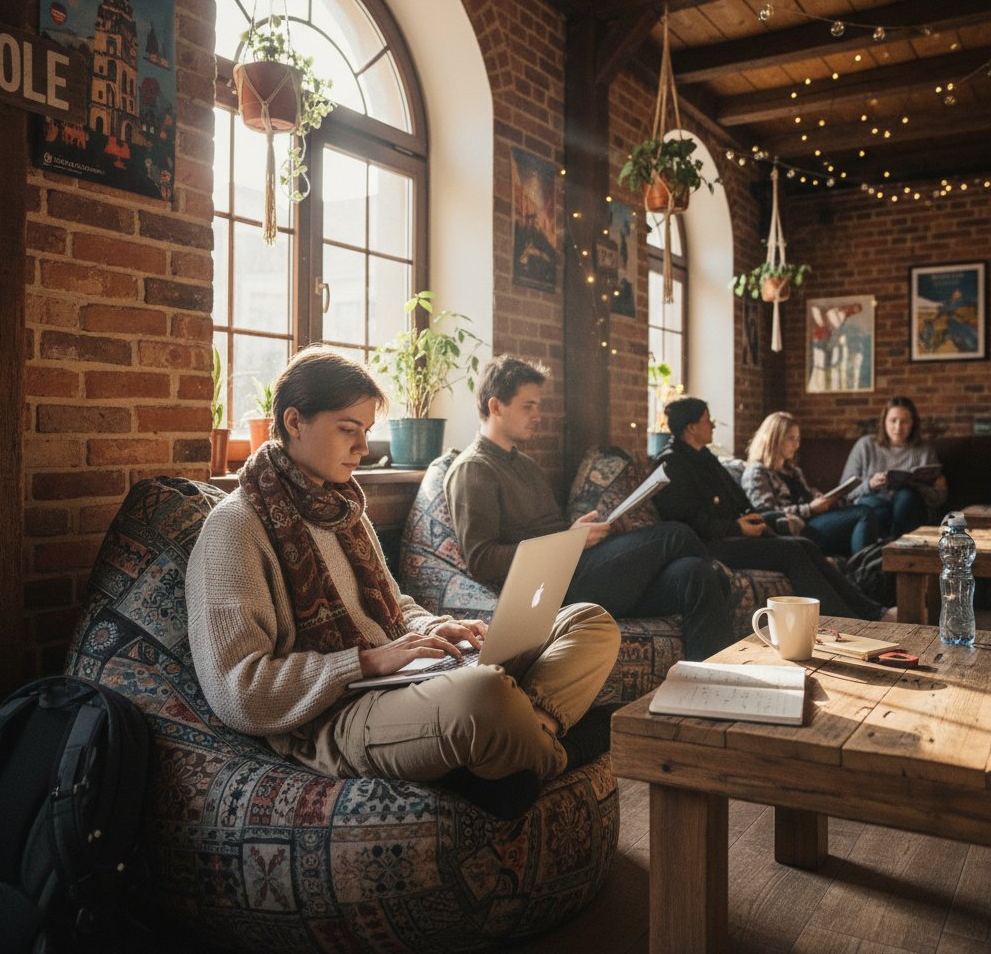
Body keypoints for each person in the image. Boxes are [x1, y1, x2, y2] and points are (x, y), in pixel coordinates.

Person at [187, 347, 620, 821]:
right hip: (336, 715)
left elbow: (396, 604)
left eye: (366, 431)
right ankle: (557, 752)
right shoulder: (235, 528)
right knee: (485, 694)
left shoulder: (344, 509)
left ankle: (529, 732)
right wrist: (363, 662)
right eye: (348, 430)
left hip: (401, 680)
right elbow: (238, 690)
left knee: (590, 622)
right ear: (294, 421)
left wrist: (435, 628)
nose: (363, 448)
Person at [443, 355, 735, 661]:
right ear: (495, 406)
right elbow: (482, 560)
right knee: (675, 534)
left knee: (697, 575)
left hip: (574, 570)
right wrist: (569, 540)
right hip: (548, 590)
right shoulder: (473, 469)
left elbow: (552, 534)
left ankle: (712, 684)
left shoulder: (525, 464)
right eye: (528, 406)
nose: (538, 415)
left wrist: (579, 533)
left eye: (537, 406)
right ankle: (726, 574)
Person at [653, 396, 888, 621]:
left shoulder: (704, 456)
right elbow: (691, 521)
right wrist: (737, 528)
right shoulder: (672, 463)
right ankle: (846, 622)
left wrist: (754, 518)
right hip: (710, 544)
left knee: (804, 544)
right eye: (707, 420)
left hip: (731, 532)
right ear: (692, 428)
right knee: (791, 551)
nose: (713, 425)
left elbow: (737, 500)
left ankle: (872, 613)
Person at [742, 411, 878, 557]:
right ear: (774, 439)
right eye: (791, 438)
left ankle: (871, 564)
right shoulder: (757, 472)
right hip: (797, 528)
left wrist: (822, 499)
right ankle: (865, 567)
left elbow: (806, 496)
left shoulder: (793, 470)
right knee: (863, 513)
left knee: (867, 509)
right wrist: (810, 508)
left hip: (812, 520)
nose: (796, 445)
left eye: (798, 439)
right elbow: (768, 513)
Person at [841, 396, 947, 538]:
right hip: (873, 504)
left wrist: (937, 489)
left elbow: (937, 500)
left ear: (913, 424)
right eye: (893, 420)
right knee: (874, 508)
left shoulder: (924, 451)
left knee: (906, 496)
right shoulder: (865, 445)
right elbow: (844, 493)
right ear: (884, 422)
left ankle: (896, 545)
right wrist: (869, 484)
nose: (898, 428)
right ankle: (887, 545)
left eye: (905, 422)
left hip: (908, 508)